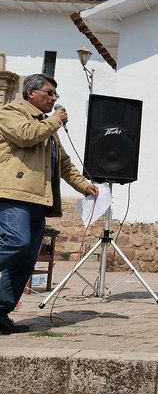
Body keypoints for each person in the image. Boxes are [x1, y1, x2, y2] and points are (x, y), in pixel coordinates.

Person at [0, 73, 99, 334]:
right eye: (49, 93)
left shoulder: (48, 127)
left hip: (38, 200)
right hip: (13, 194)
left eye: (56, 94)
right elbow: (25, 135)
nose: (54, 98)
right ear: (31, 93)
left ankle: (0, 311)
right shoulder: (11, 112)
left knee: (26, 259)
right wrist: (55, 120)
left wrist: (84, 186)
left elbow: (63, 164)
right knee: (15, 242)